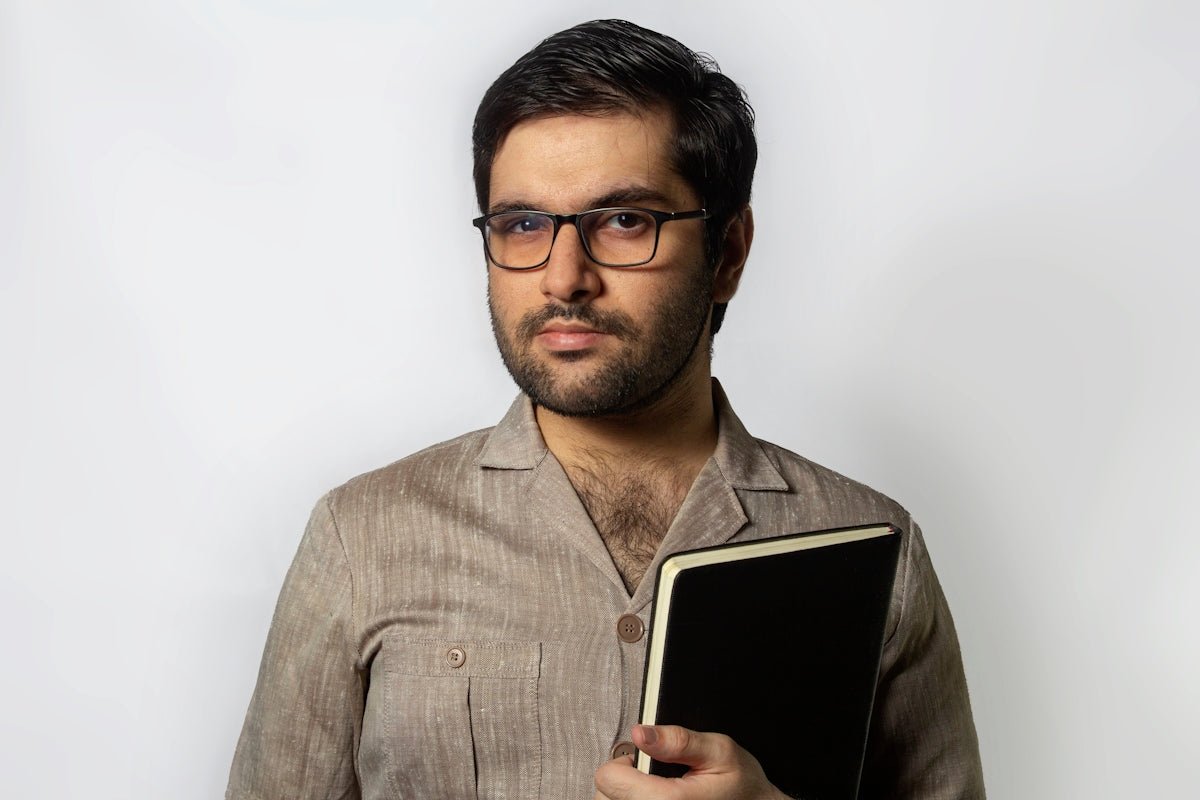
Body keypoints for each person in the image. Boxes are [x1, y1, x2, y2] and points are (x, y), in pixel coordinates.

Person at [226, 18, 985, 800]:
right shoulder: (363, 539)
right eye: (522, 224)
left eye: (624, 221)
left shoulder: (873, 550)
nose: (563, 278)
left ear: (726, 254)